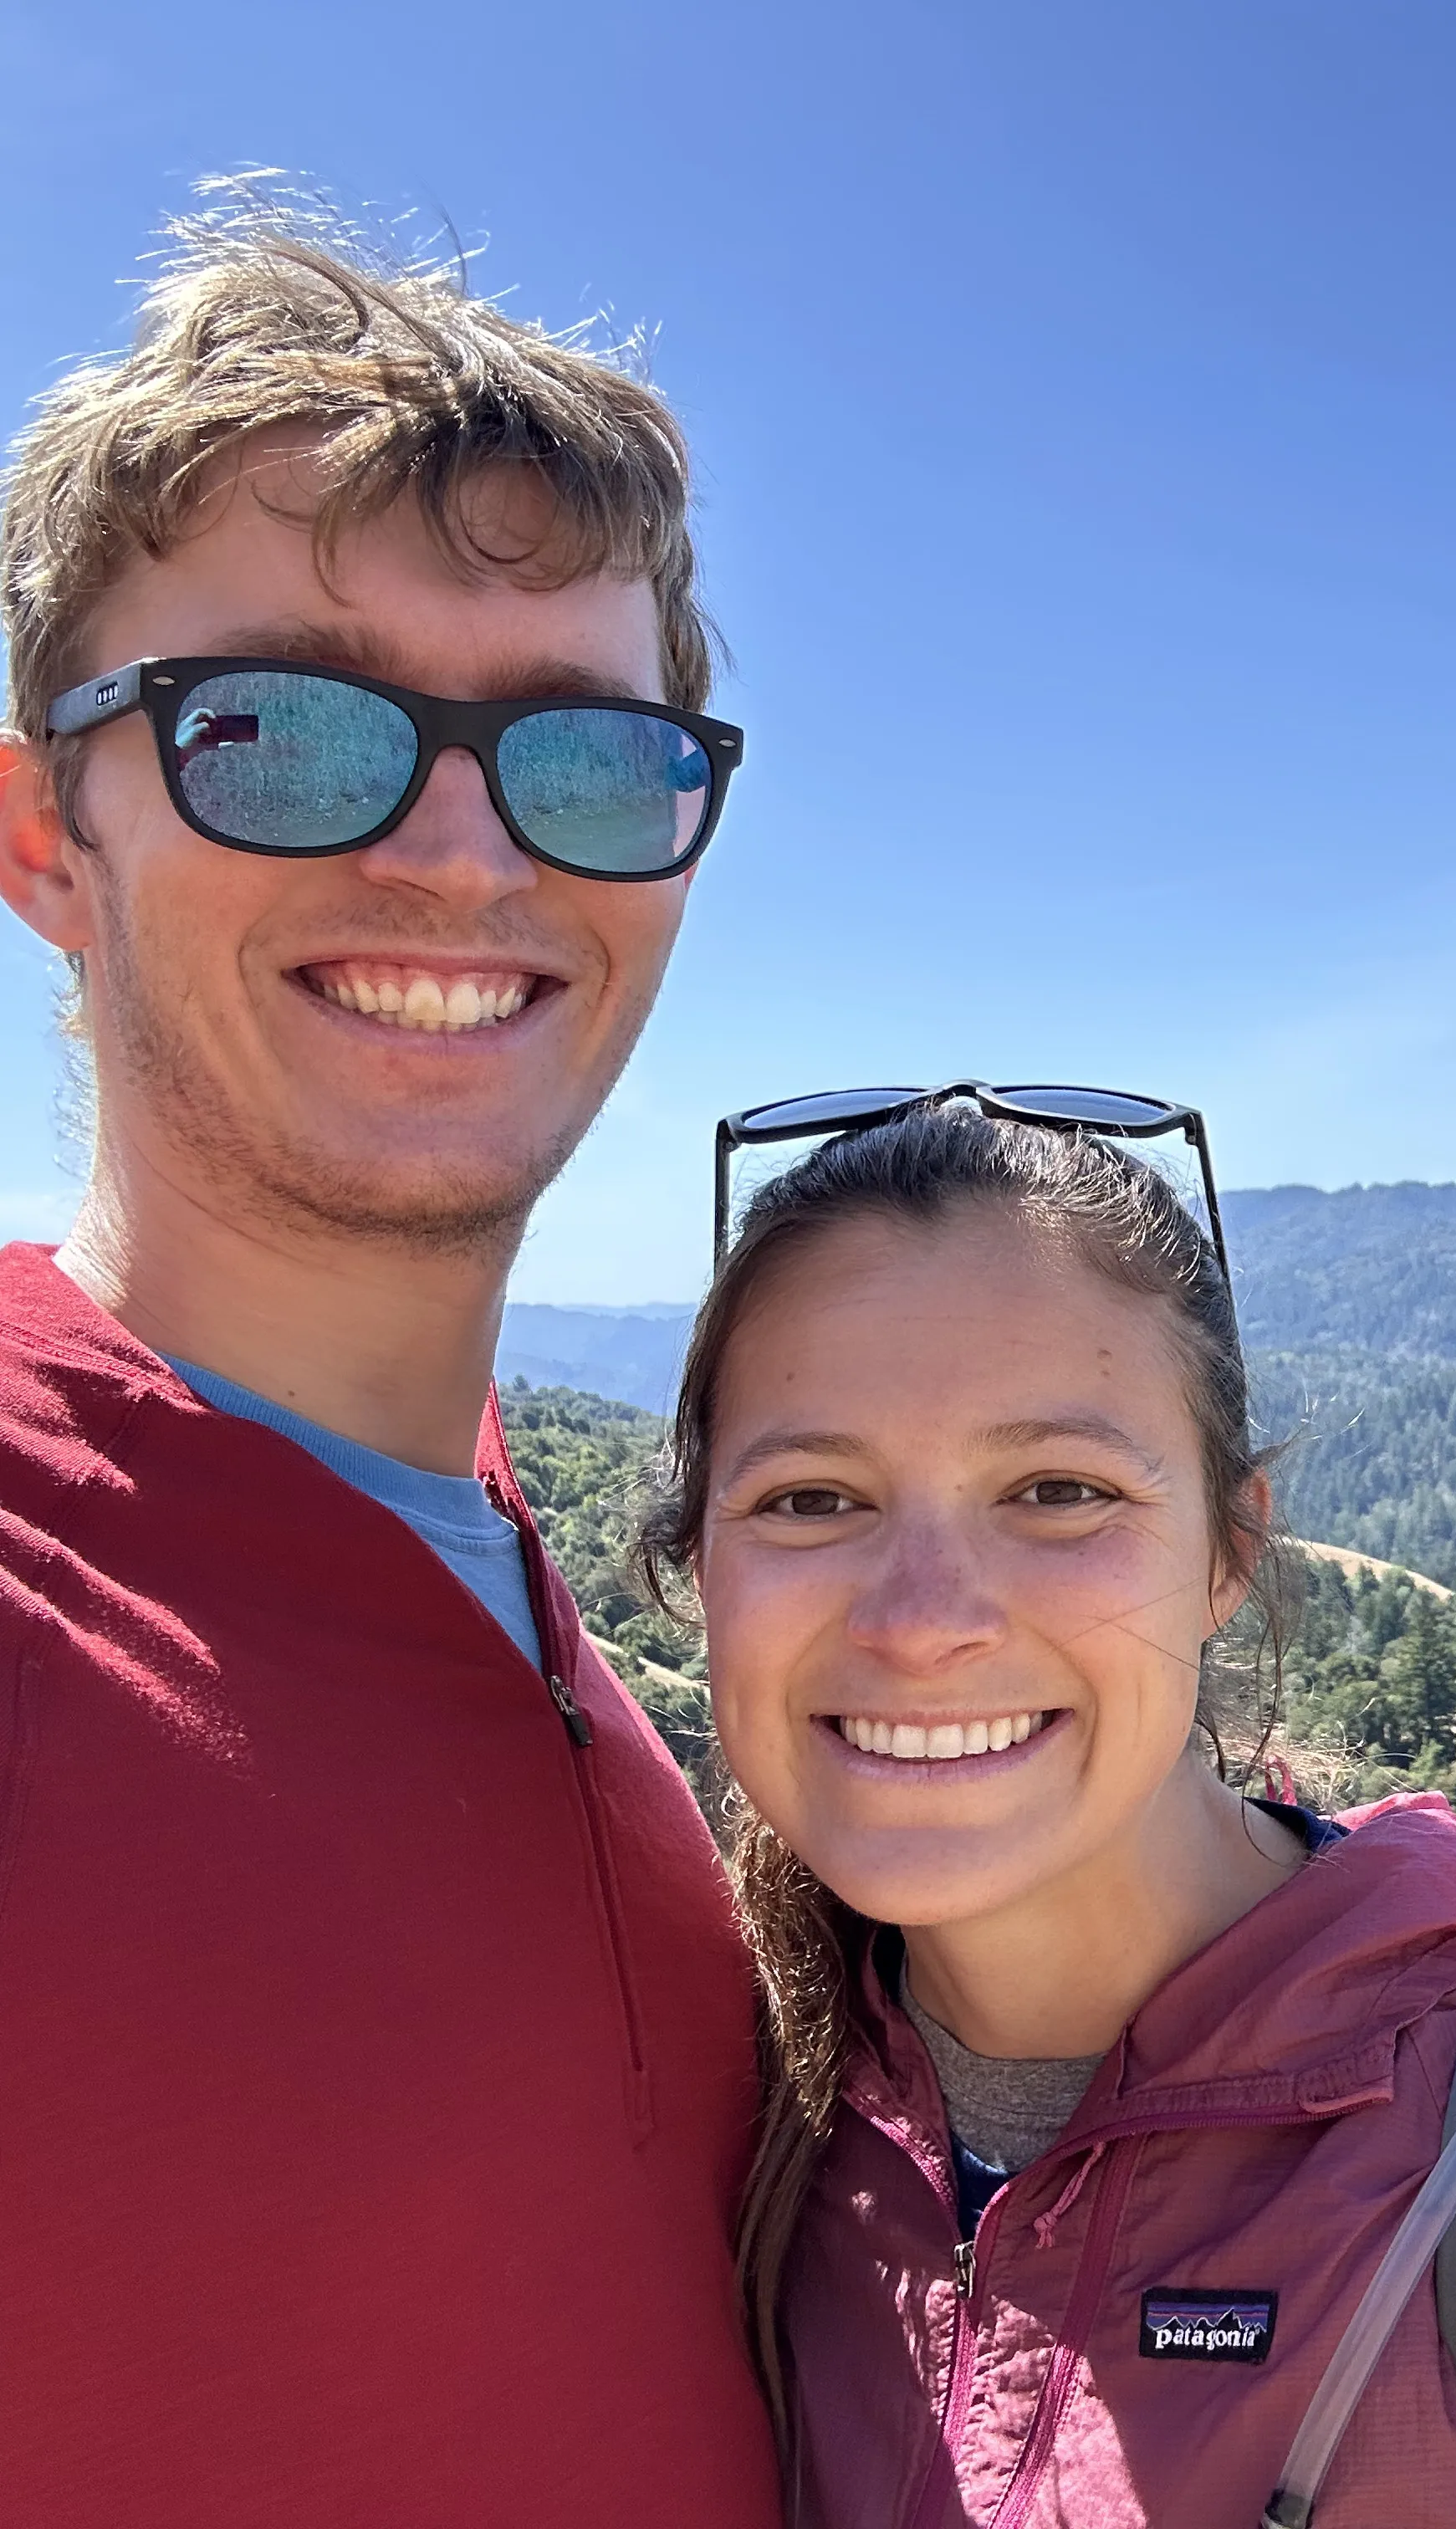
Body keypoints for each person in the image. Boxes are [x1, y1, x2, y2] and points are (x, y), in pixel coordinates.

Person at [639, 1092, 1456, 2526]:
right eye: (812, 1501)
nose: (925, 1620)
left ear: (1227, 1553)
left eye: (1058, 1490)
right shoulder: (725, 2124)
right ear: (699, 1562)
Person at [0, 196, 779, 2523]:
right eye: (278, 726)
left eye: (586, 753)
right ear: (48, 832)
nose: (460, 854)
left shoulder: (551, 1629)